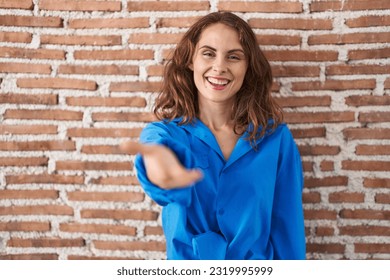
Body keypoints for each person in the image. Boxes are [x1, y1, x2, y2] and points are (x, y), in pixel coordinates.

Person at [120, 12, 306, 260]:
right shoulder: (164, 134)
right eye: (208, 53)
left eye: (234, 56)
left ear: (248, 67)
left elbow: (288, 227)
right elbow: (157, 159)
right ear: (190, 61)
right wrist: (161, 172)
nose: (219, 67)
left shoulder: (276, 139)